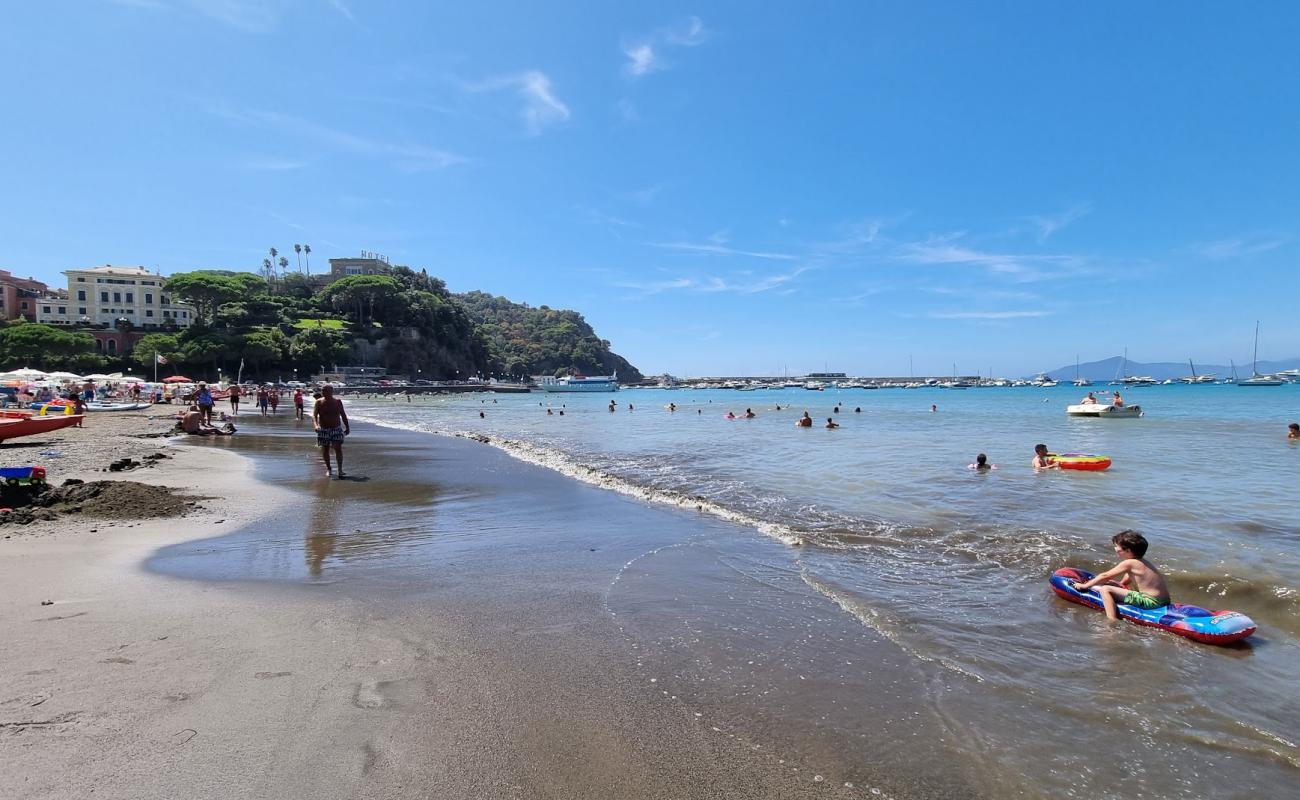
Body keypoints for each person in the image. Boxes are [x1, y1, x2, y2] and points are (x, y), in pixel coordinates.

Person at [1071, 530, 1171, 621]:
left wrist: (1085, 586)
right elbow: (1130, 575)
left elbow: (1105, 576)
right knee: (1119, 588)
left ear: (1128, 551)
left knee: (1105, 589)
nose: (1115, 550)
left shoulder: (1129, 563)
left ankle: (1111, 619)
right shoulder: (1142, 562)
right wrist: (1121, 584)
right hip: (1164, 601)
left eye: (1117, 548)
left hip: (1151, 602)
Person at [312, 385, 350, 478]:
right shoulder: (319, 402)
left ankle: (340, 470)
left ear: (331, 392)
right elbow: (314, 416)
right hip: (324, 429)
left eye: (326, 391)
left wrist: (347, 427)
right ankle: (329, 469)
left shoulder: (337, 402)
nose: (323, 392)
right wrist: (316, 426)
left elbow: (343, 415)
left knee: (338, 448)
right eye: (323, 391)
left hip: (336, 428)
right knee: (325, 449)